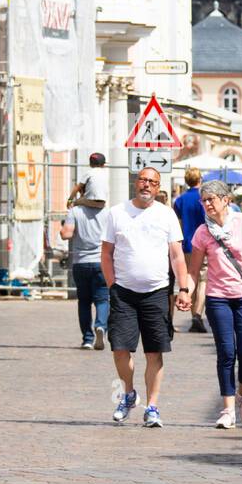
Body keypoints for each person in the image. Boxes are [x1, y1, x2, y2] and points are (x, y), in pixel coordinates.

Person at [100, 167, 191, 427]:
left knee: (154, 351)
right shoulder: (117, 213)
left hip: (157, 292)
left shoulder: (166, 215)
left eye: (152, 182)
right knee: (119, 348)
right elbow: (106, 252)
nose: (146, 185)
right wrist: (112, 284)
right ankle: (128, 394)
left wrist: (183, 288)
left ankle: (152, 407)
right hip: (124, 293)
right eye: (143, 180)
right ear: (136, 182)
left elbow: (176, 255)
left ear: (158, 187)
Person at [186, 180, 242, 429]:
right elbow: (194, 271)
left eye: (212, 198)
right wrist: (185, 292)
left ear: (226, 200)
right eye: (204, 200)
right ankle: (228, 409)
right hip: (217, 298)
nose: (208, 204)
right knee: (226, 353)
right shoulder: (203, 232)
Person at [60, 199, 109, 350]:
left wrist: (65, 225)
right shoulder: (107, 212)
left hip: (80, 262)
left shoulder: (75, 211)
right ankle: (100, 326)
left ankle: (87, 339)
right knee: (102, 299)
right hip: (101, 261)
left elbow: (66, 234)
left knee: (84, 302)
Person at [172, 168, 209, 333]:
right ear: (199, 179)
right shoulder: (203, 198)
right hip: (203, 242)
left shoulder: (179, 200)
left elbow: (178, 224)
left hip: (186, 243)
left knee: (190, 278)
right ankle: (197, 315)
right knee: (202, 279)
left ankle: (194, 314)